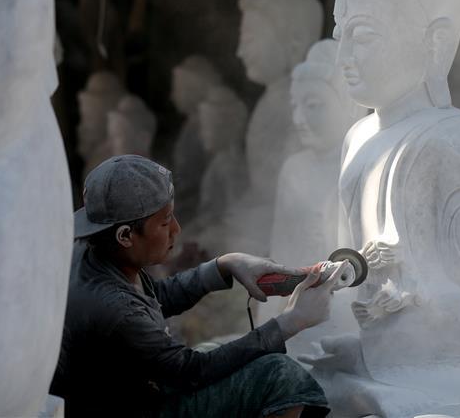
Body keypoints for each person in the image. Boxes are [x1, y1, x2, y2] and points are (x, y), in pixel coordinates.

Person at [49, 154, 334, 418]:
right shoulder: (112, 307)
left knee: (222, 346)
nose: (176, 229)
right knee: (278, 374)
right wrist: (290, 322)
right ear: (125, 235)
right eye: (164, 223)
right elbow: (190, 371)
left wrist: (226, 265)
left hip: (141, 384)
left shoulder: (96, 251)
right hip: (134, 407)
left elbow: (154, 298)